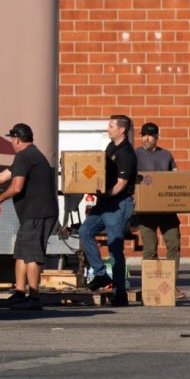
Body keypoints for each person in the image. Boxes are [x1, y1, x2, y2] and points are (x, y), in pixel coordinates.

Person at [0, 123, 58, 311]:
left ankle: (34, 297)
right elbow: (2, 177)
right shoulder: (29, 155)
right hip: (32, 215)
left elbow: (16, 187)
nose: (11, 142)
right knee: (21, 254)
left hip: (37, 214)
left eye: (11, 139)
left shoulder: (25, 156)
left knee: (32, 256)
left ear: (17, 139)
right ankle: (19, 293)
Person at [81, 114, 138, 306]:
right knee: (85, 232)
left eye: (111, 126)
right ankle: (101, 274)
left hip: (117, 204)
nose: (108, 128)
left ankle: (119, 292)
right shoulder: (111, 147)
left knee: (115, 248)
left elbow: (121, 184)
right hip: (105, 202)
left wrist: (105, 195)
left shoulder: (126, 153)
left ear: (121, 130)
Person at [135, 122, 184, 298]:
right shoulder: (136, 154)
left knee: (174, 245)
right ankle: (151, 286)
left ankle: (171, 286)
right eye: (144, 135)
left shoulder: (166, 155)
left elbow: (176, 175)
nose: (146, 138)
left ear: (157, 136)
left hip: (166, 210)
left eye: (150, 135)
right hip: (146, 211)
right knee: (150, 249)